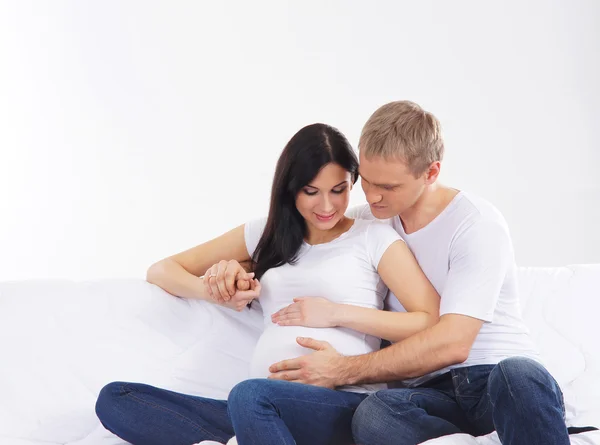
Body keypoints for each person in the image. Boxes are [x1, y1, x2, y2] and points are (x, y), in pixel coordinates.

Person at [94, 123, 440, 445]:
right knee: (117, 398)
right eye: (311, 191)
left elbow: (429, 319)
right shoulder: (266, 234)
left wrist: (337, 313)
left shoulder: (372, 237)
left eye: (339, 190)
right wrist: (217, 293)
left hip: (340, 402)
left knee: (248, 395)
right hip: (263, 409)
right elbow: (162, 270)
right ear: (290, 189)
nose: (327, 205)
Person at [265, 101, 572, 445]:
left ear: (431, 173)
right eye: (366, 181)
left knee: (518, 374)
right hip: (428, 393)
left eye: (390, 187)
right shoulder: (365, 222)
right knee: (374, 415)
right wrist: (233, 272)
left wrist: (343, 368)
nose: (374, 196)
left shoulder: (475, 224)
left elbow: (453, 344)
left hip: (494, 382)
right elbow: (296, 247)